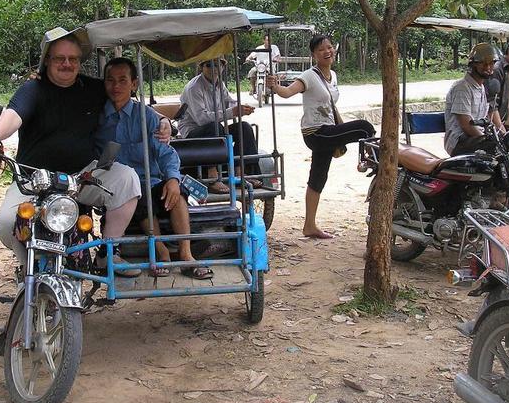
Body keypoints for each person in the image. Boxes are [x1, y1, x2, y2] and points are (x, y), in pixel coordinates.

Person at [0, 29, 170, 278]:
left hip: (82, 175)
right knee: (6, 224)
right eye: (60, 58)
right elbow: (12, 116)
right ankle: (28, 268)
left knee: (127, 180)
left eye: (73, 59)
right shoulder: (33, 89)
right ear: (47, 61)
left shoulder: (93, 88)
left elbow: (127, 97)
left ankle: (107, 252)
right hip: (34, 178)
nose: (67, 64)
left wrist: (162, 120)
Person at [95, 57, 213, 280]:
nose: (116, 86)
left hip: (154, 182)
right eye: (110, 80)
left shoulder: (147, 116)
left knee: (176, 195)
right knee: (138, 197)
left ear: (134, 84)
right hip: (120, 191)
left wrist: (172, 179)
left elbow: (167, 153)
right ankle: (162, 253)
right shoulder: (97, 118)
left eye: (123, 80)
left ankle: (187, 256)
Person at [266, 35, 375, 239]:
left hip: (329, 130)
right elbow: (287, 92)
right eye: (321, 50)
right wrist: (274, 86)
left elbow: (332, 108)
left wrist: (342, 129)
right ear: (314, 55)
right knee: (365, 127)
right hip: (315, 133)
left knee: (317, 178)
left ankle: (309, 226)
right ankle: (369, 161)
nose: (327, 51)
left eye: (330, 47)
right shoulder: (309, 75)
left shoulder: (333, 75)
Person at [178, 58, 260, 194]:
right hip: (192, 132)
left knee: (244, 127)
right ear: (202, 68)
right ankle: (212, 176)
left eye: (217, 65)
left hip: (213, 129)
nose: (213, 69)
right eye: (208, 65)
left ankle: (242, 172)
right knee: (214, 127)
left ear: (223, 67)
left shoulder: (219, 84)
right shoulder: (194, 88)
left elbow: (230, 102)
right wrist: (232, 112)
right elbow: (202, 119)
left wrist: (241, 108)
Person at [444, 42, 504, 156]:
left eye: (491, 63)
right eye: (482, 63)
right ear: (473, 64)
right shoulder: (462, 88)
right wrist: (487, 139)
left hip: (475, 138)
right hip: (459, 142)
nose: (488, 67)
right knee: (496, 148)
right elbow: (466, 125)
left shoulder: (481, 87)